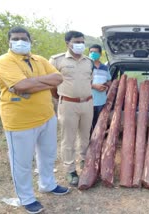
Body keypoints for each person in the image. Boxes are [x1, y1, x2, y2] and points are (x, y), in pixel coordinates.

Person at [0, 26, 69, 214]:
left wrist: (29, 85)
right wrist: (40, 82)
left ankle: (47, 184)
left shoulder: (40, 60)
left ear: (30, 41)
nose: (20, 41)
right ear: (9, 42)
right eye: (16, 38)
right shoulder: (5, 61)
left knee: (48, 155)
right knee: (22, 162)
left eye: (24, 38)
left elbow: (58, 78)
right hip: (20, 121)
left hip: (46, 116)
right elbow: (21, 85)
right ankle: (26, 198)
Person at [50, 31, 93, 186]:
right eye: (76, 42)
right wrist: (61, 98)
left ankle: (84, 161)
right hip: (68, 104)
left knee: (85, 135)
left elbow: (90, 81)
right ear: (67, 43)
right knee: (68, 138)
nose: (80, 44)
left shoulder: (88, 61)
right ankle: (70, 170)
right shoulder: (57, 60)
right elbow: (51, 85)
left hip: (88, 103)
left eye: (82, 42)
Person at [89, 44, 111, 132]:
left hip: (101, 101)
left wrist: (106, 86)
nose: (93, 53)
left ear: (100, 54)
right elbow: (79, 82)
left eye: (95, 52)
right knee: (88, 125)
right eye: (91, 52)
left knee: (99, 123)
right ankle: (88, 142)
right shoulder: (85, 66)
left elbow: (109, 81)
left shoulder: (105, 68)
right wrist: (94, 86)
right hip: (88, 101)